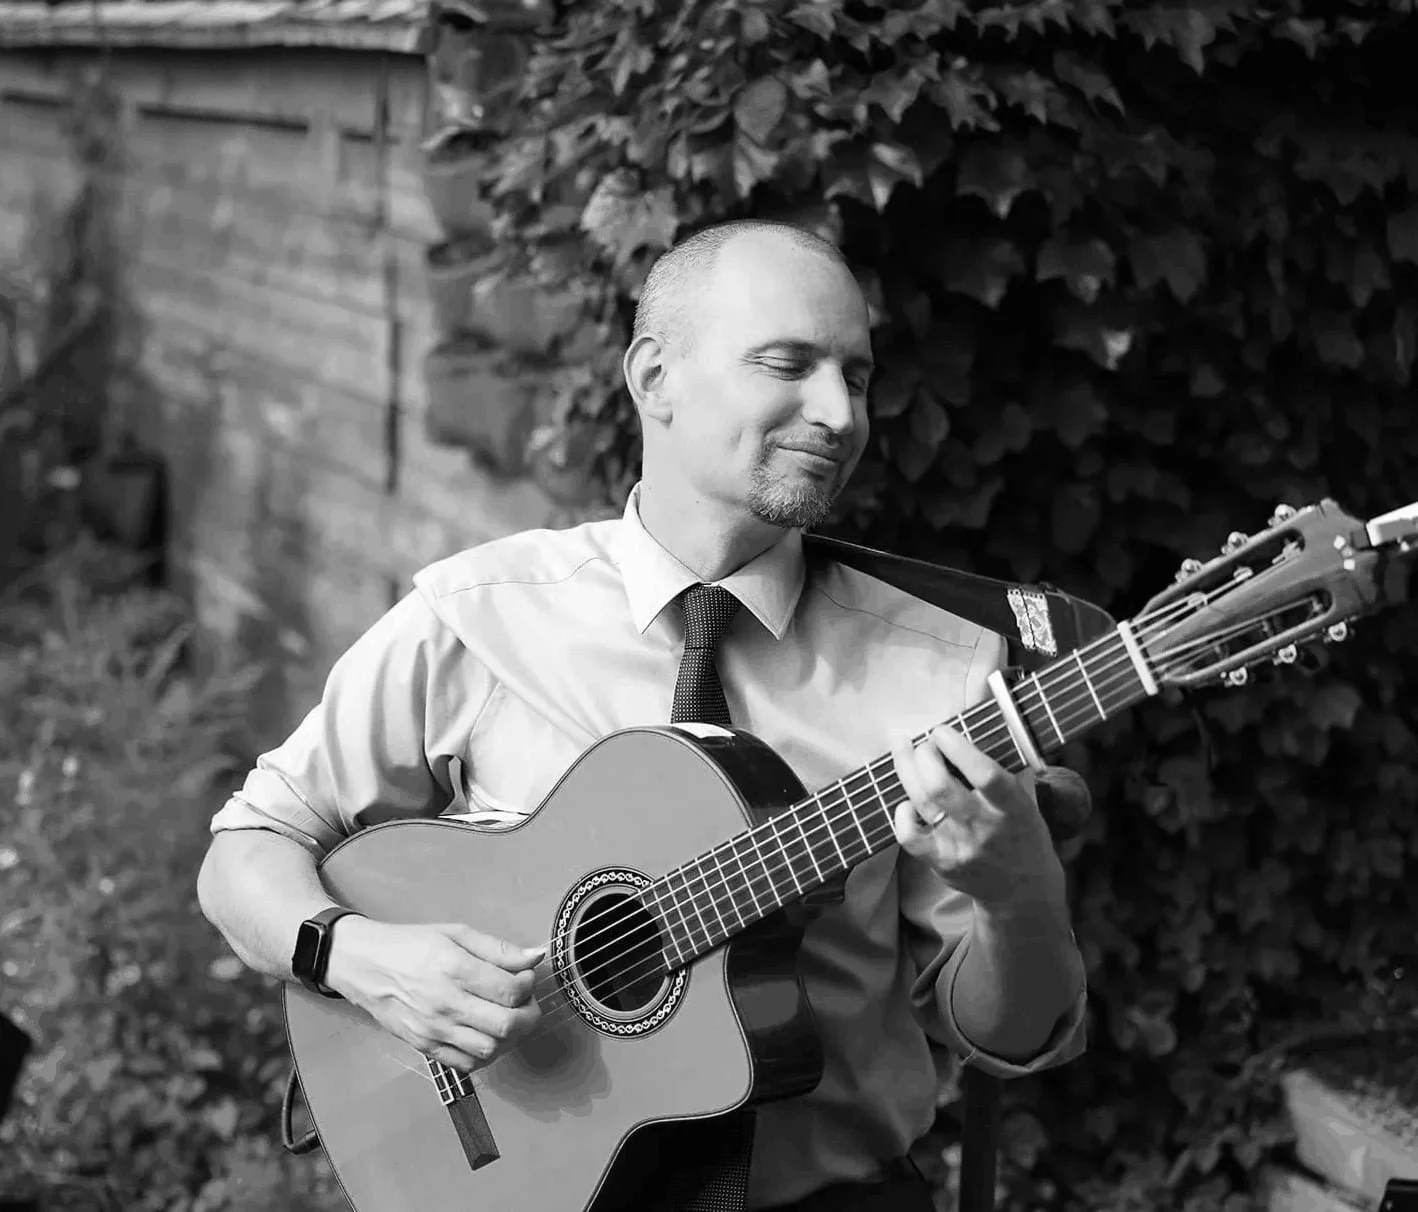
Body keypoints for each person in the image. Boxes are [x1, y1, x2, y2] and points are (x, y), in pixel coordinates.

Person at [196, 219, 1089, 1211]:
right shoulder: (479, 616)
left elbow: (1012, 1036)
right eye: (787, 363)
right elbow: (248, 847)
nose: (837, 413)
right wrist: (356, 955)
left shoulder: (944, 674)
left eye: (858, 376)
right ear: (654, 378)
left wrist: (1019, 897)